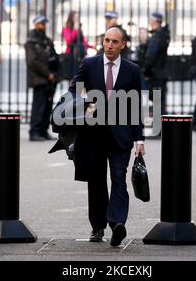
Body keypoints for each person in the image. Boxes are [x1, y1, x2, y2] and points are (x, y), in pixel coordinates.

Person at [69, 27, 145, 247]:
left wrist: (139, 139)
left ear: (123, 45)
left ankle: (117, 223)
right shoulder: (90, 64)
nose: (109, 45)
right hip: (93, 133)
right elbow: (75, 89)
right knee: (96, 181)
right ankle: (97, 226)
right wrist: (83, 103)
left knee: (119, 177)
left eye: (114, 42)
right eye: (106, 41)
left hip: (121, 135)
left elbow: (135, 106)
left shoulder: (132, 70)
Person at [25, 15, 60, 141]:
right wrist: (47, 74)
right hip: (40, 79)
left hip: (50, 78)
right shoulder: (31, 42)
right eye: (41, 23)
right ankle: (34, 132)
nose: (43, 26)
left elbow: (53, 57)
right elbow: (33, 62)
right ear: (35, 24)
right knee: (38, 107)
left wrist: (55, 73)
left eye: (44, 23)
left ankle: (43, 131)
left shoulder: (47, 40)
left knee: (47, 106)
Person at [142, 12, 170, 115]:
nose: (149, 22)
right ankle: (161, 127)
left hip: (155, 74)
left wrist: (145, 72)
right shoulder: (162, 35)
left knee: (158, 101)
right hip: (160, 73)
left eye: (151, 20)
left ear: (155, 22)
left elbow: (150, 57)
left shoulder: (157, 37)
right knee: (159, 101)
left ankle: (159, 128)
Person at [62, 10, 91, 78]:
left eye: (78, 17)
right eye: (75, 17)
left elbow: (83, 41)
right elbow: (69, 41)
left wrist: (90, 47)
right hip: (72, 55)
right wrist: (75, 29)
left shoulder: (79, 28)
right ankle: (72, 88)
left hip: (80, 55)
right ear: (71, 18)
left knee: (80, 75)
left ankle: (79, 89)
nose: (77, 19)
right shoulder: (66, 28)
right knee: (73, 75)